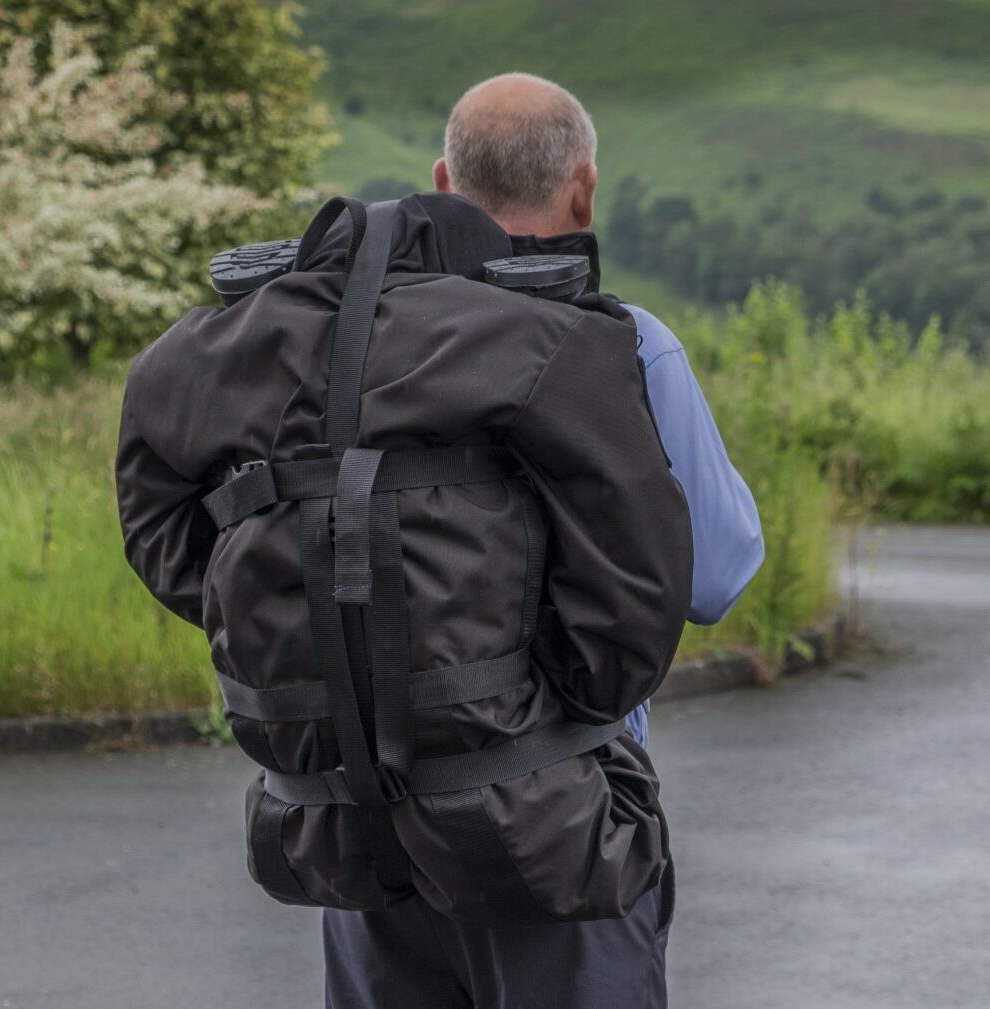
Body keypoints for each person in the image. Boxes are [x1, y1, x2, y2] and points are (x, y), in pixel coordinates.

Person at [321, 73, 764, 1009]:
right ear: (584, 189)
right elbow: (717, 575)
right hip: (560, 822)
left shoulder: (347, 347)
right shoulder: (625, 343)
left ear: (443, 179)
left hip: (369, 817)